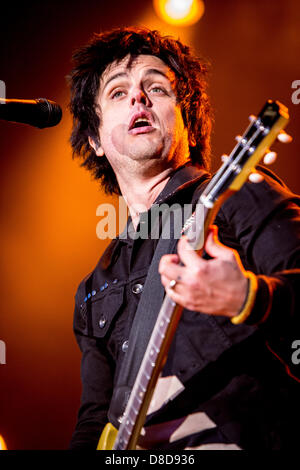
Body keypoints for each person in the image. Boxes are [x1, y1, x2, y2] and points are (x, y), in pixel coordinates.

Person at [67, 27, 300, 450]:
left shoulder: (237, 196)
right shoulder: (94, 288)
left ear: (186, 120)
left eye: (156, 87)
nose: (138, 97)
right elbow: (95, 421)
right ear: (95, 140)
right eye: (118, 93)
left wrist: (247, 298)